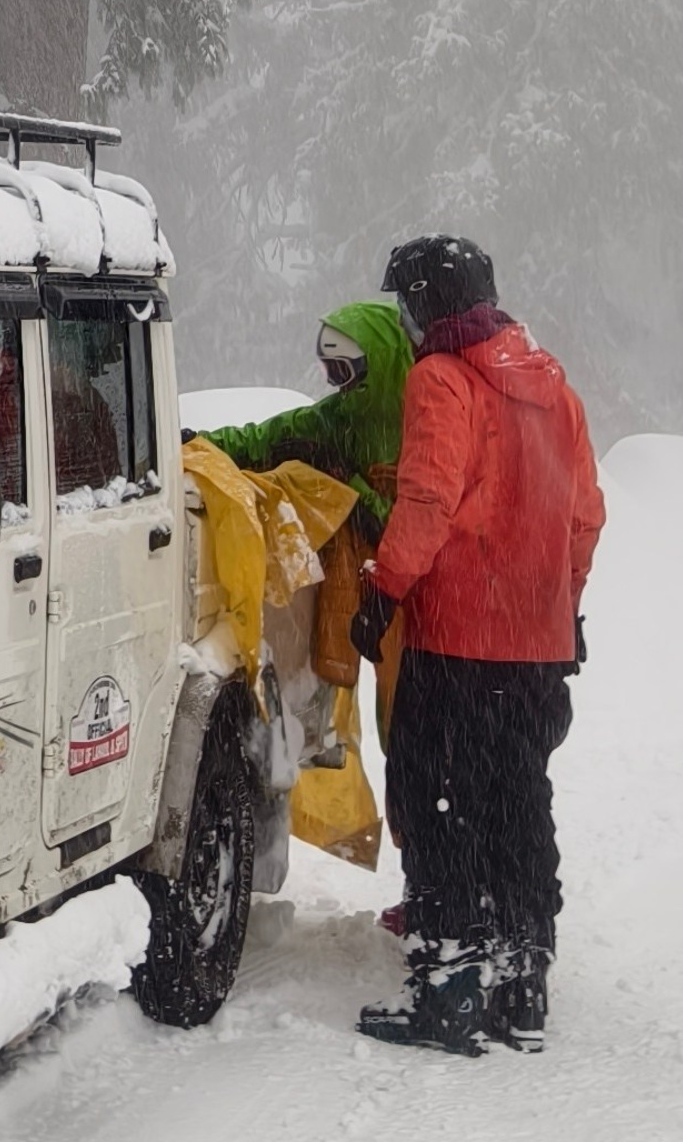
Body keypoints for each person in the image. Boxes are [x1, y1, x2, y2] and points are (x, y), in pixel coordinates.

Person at [350, 234, 605, 1059]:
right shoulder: (553, 386)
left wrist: (382, 592)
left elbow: (427, 502)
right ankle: (521, 979)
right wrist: (565, 608)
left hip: (458, 638)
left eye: (409, 303)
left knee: (437, 801)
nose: (407, 320)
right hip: (536, 645)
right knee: (515, 803)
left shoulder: (442, 380)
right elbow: (585, 516)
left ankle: (450, 986)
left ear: (431, 302)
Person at [193, 300, 415, 538]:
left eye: (341, 371)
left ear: (378, 363)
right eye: (327, 371)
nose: (336, 385)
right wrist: (201, 442)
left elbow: (406, 532)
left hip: (403, 569)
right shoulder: (340, 416)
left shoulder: (428, 423)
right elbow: (262, 438)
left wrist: (348, 480)